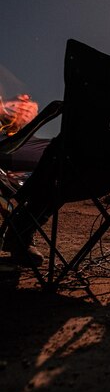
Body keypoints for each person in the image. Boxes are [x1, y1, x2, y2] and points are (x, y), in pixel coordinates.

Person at [0, 94, 50, 265]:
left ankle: (22, 233)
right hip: (6, 145)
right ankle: (21, 234)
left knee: (61, 157)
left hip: (17, 140)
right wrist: (4, 109)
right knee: (57, 157)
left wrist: (22, 113)